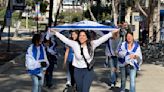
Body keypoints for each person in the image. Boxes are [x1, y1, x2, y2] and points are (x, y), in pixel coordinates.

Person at [47, 28, 119, 92]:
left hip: (88, 71)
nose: (81, 37)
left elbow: (103, 39)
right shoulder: (75, 44)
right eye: (80, 35)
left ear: (87, 37)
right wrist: (55, 32)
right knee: (80, 89)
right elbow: (64, 39)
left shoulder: (92, 44)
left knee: (85, 90)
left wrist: (112, 33)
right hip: (77, 71)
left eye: (84, 35)